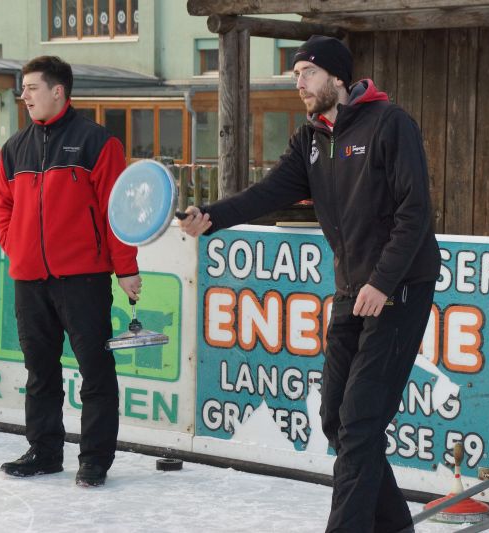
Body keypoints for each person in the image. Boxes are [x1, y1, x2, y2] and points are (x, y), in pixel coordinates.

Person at [179, 36, 440, 532]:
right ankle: (393, 525)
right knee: (336, 419)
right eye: (296, 73)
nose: (298, 82)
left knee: (361, 420)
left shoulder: (389, 124)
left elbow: (415, 212)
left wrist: (383, 282)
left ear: (337, 78)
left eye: (307, 73)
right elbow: (267, 193)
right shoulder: (311, 140)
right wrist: (210, 216)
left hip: (399, 289)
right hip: (352, 290)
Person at [0, 56, 140, 488]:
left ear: (58, 91)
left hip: (83, 279)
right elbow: (2, 205)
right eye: (22, 88)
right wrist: (15, 244)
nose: (24, 96)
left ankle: (94, 459)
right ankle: (44, 452)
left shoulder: (97, 142)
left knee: (95, 371)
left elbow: (117, 213)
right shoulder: (13, 148)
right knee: (40, 372)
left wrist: (126, 269)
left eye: (32, 88)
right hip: (29, 279)